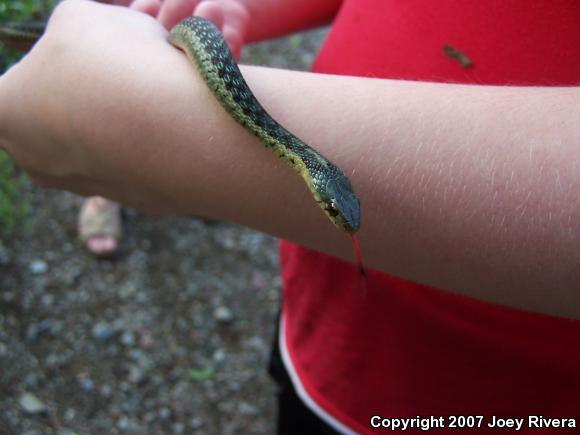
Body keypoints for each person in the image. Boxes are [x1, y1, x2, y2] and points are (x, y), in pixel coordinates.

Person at [1, 0, 579, 433]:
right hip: (323, 330)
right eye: (331, 207)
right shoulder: (295, 154)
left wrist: (156, 129)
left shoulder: (299, 159)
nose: (335, 214)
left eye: (331, 210)